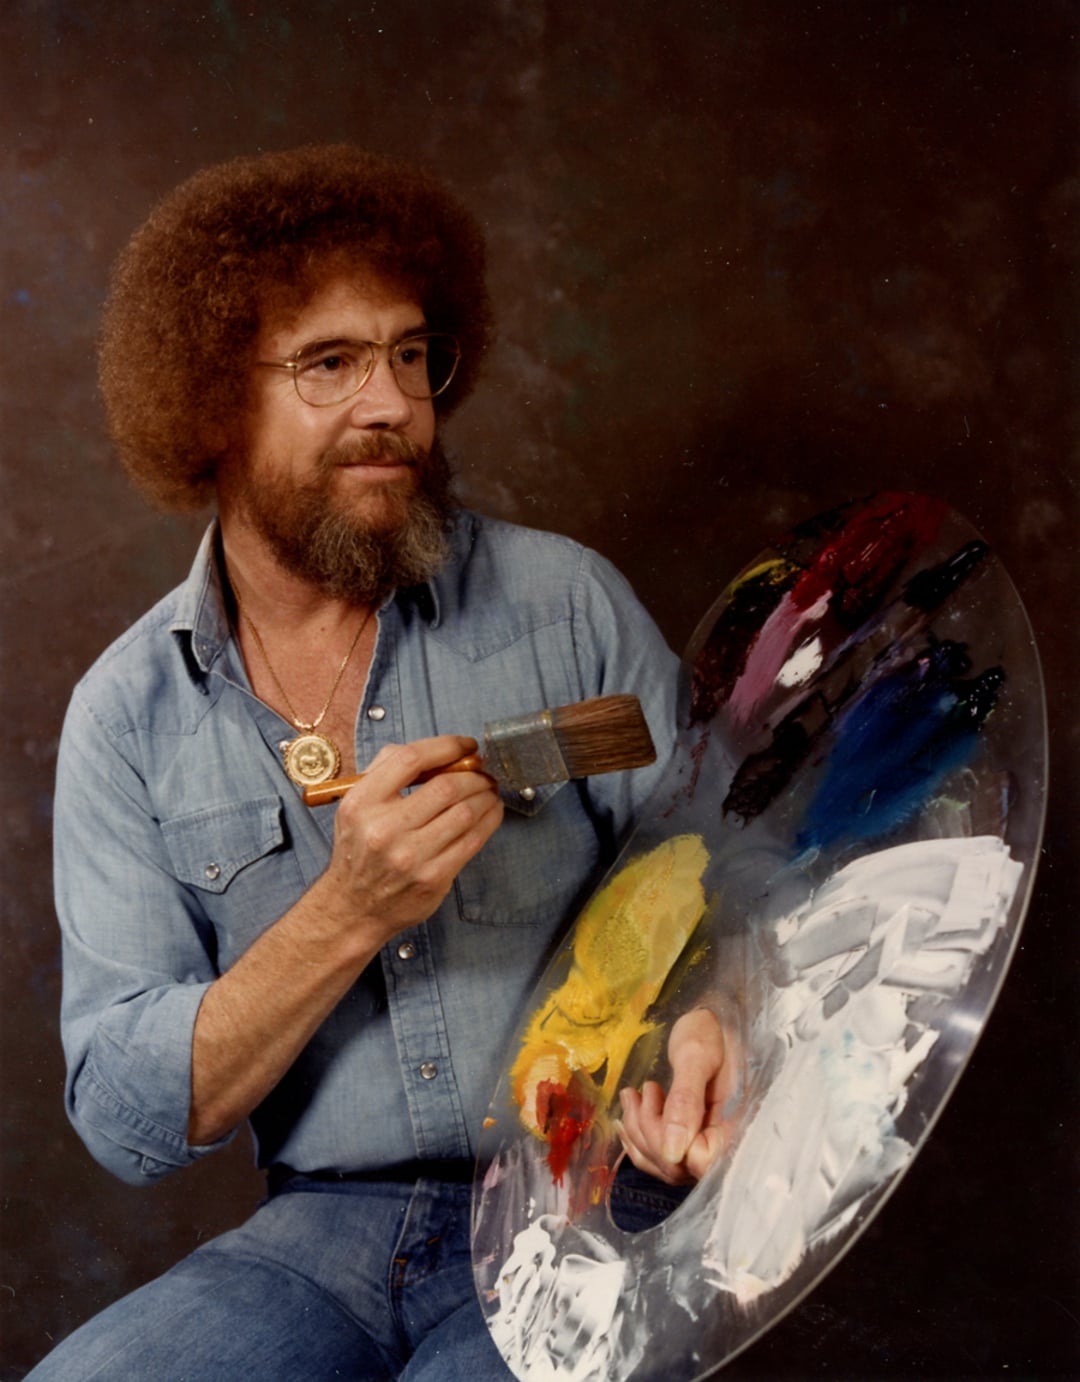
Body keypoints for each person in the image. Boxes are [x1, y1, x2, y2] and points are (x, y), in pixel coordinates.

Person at [32, 145, 731, 1380]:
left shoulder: (565, 609)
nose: (393, 404)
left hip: (579, 1195)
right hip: (319, 1238)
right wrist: (348, 909)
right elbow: (133, 1118)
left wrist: (720, 1024)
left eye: (411, 354)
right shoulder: (127, 715)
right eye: (331, 362)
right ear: (209, 402)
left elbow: (731, 871)